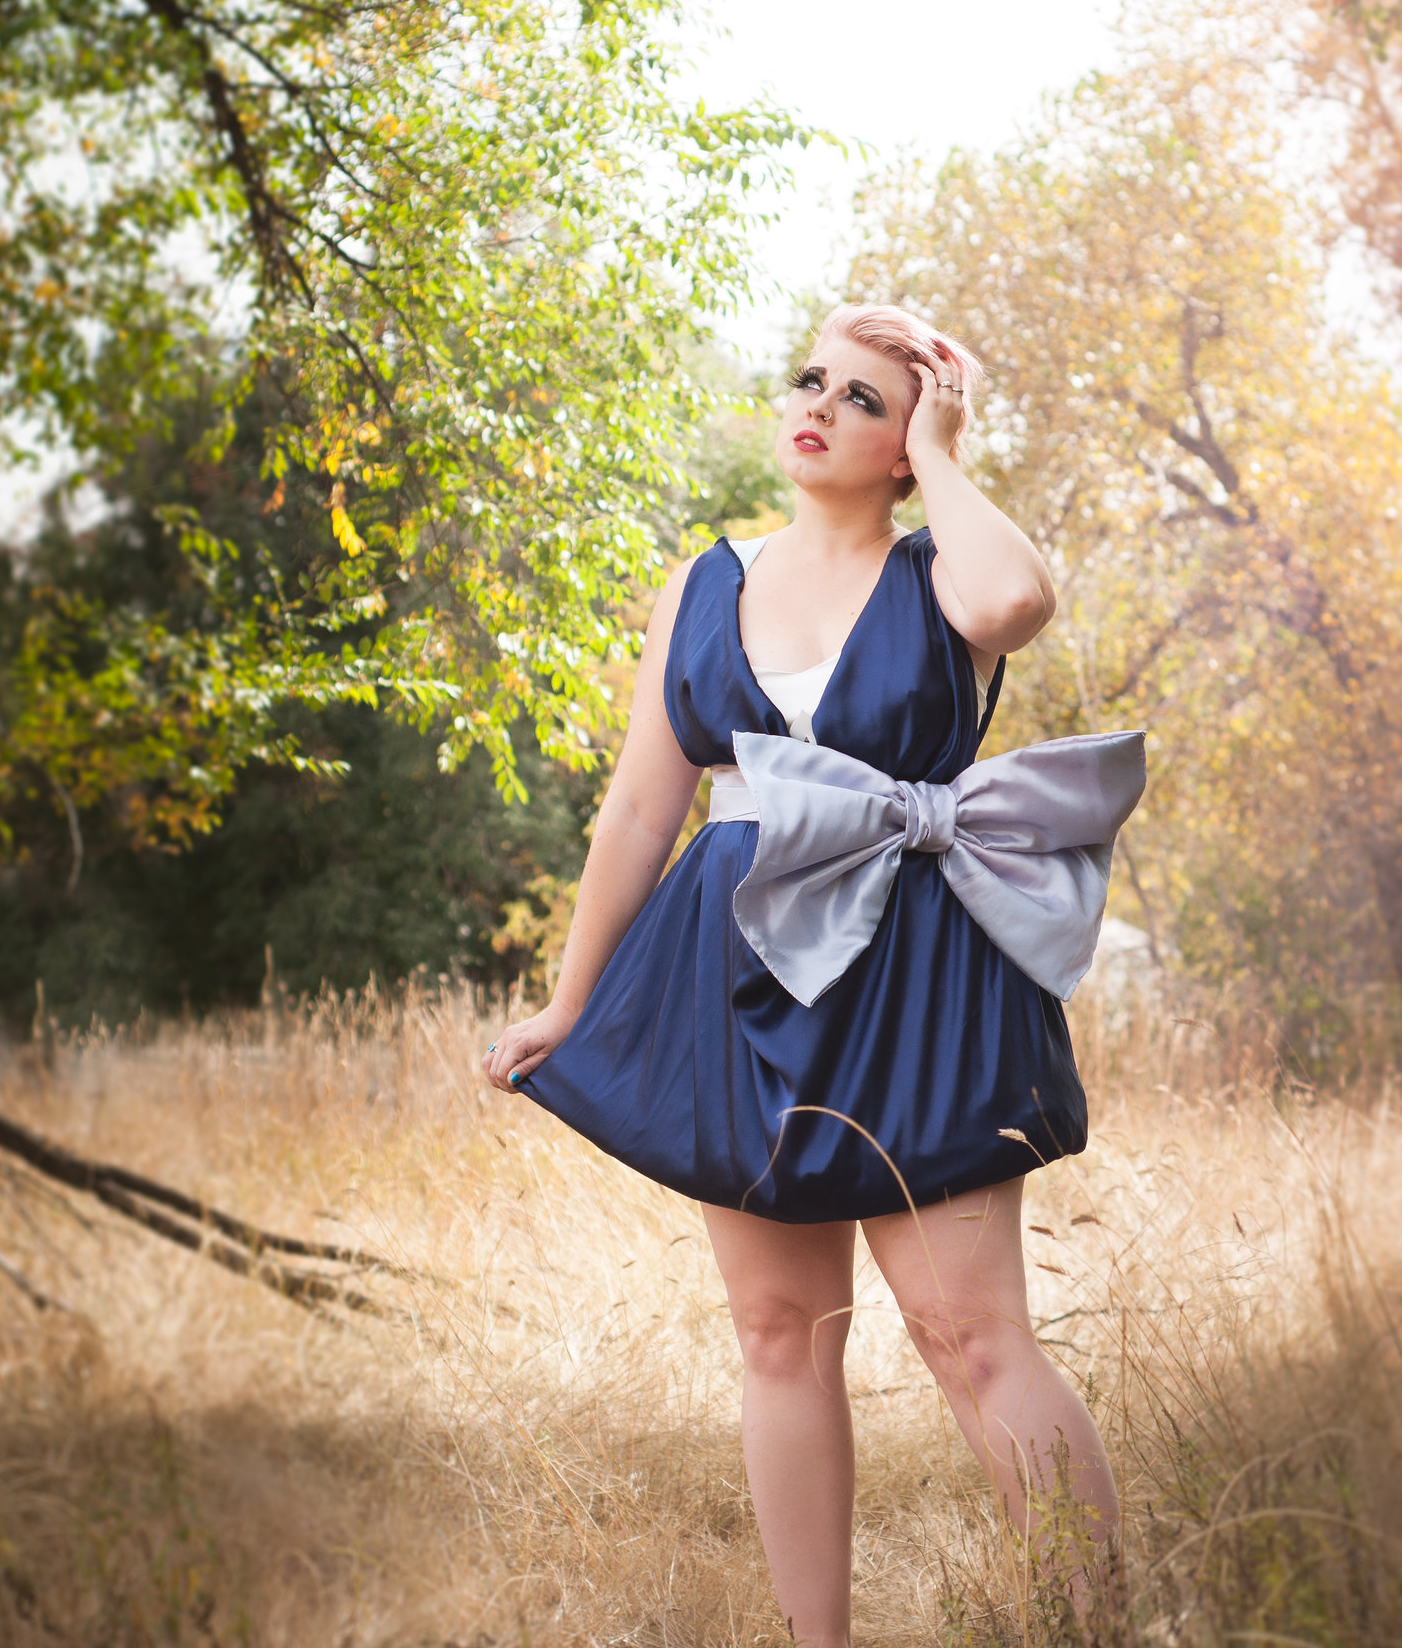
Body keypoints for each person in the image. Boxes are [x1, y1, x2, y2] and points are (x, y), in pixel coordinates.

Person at [480, 304, 1143, 1644]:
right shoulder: (704, 582)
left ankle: (1102, 1630)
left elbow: (1016, 604)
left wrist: (944, 455)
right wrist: (570, 998)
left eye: (865, 399)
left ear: (909, 443)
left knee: (969, 1335)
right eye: (813, 381)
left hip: (918, 977)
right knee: (781, 1333)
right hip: (738, 970)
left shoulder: (943, 572)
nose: (822, 407)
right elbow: (640, 812)